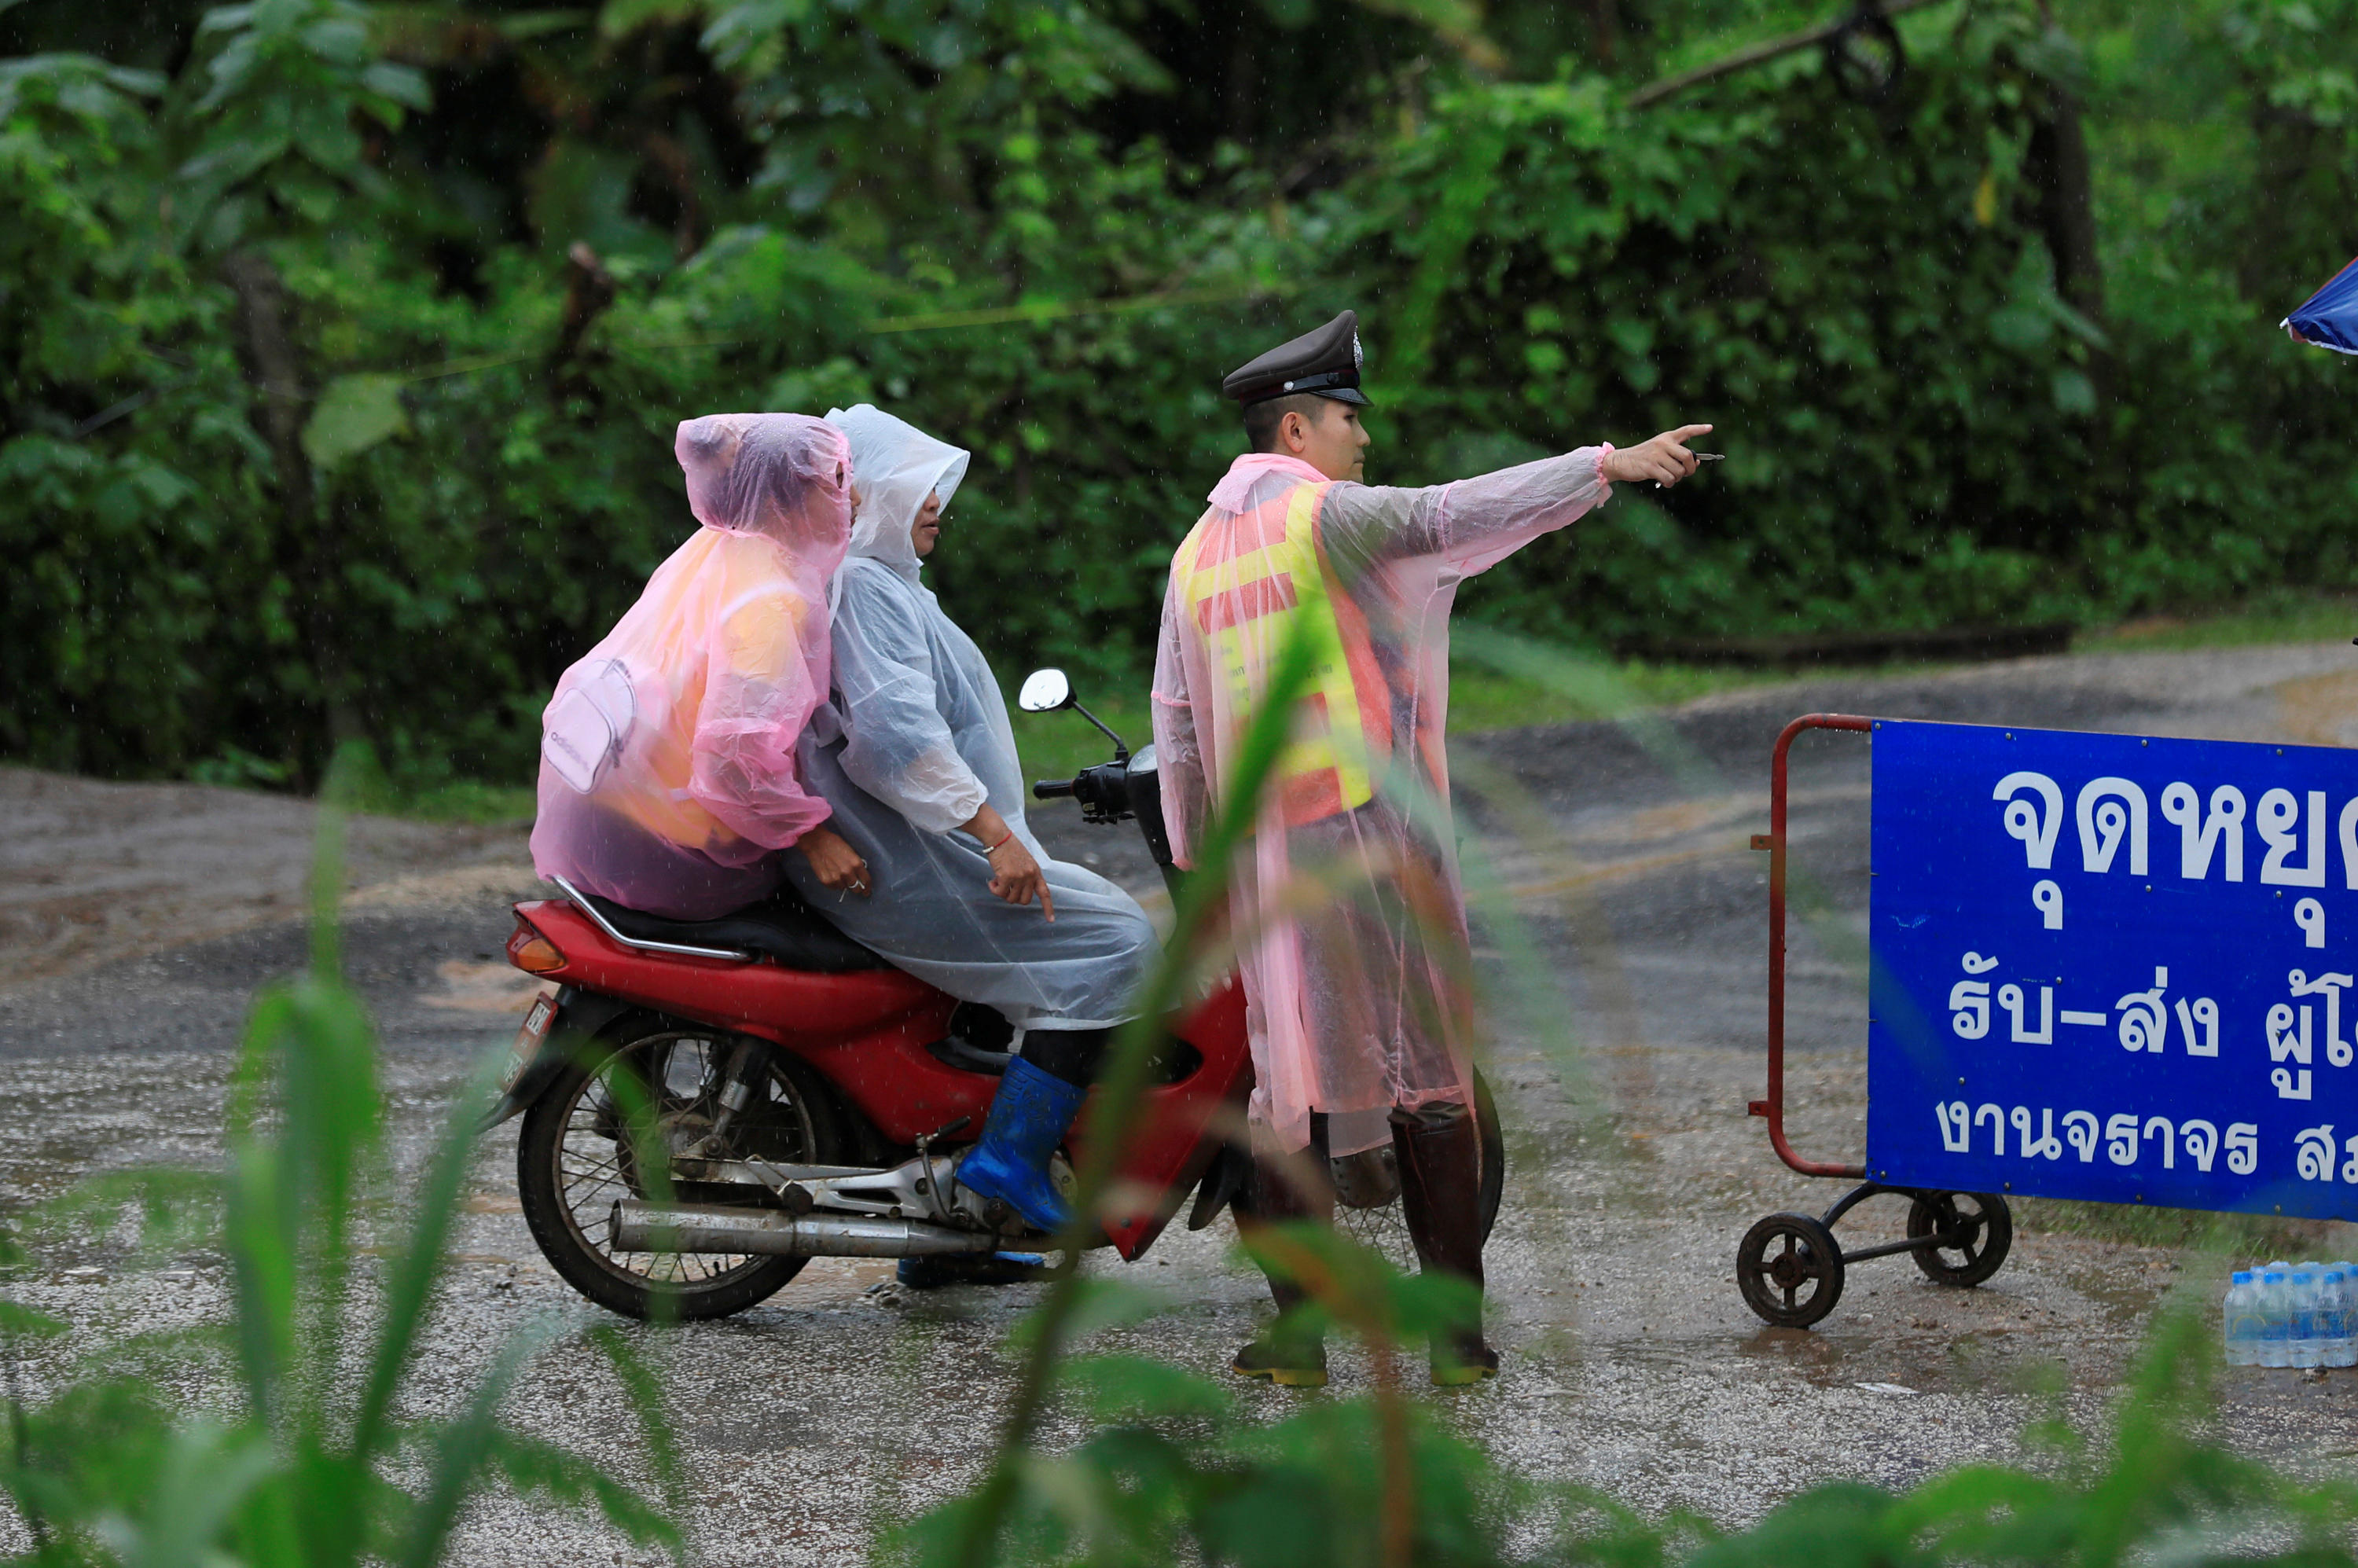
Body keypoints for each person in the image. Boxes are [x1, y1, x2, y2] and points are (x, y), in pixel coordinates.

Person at [1150, 310, 1710, 1387]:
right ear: (1299, 428)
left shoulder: (1197, 551)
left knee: (1286, 1090)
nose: (1364, 437)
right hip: (1369, 839)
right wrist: (1605, 465)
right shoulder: (1325, 518)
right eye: (1350, 418)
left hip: (1268, 861)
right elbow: (1452, 513)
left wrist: (1196, 870)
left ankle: (1300, 1341)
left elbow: (1177, 718)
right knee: (1427, 1078)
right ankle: (1455, 1337)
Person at [781, 403, 1159, 1239]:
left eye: (936, 486)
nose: (935, 502)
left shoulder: (886, 584)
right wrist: (992, 834)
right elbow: (895, 741)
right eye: (915, 485)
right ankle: (1007, 1167)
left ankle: (964, 1237)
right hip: (905, 856)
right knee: (1118, 944)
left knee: (1084, 930)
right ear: (867, 493)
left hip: (918, 844)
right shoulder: (865, 591)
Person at [531, 413, 870, 920]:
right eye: (839, 480)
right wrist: (810, 837)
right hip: (668, 846)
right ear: (786, 496)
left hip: (610, 808)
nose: (856, 499)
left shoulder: (719, 548)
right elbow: (734, 755)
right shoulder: (770, 600)